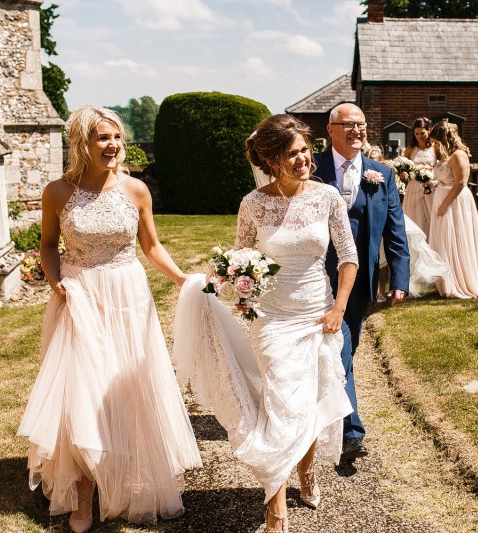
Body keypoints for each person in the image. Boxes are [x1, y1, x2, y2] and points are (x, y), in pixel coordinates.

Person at [17, 106, 201, 532]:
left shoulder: (136, 190)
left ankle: (131, 476)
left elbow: (151, 246)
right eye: (103, 138)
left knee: (128, 386)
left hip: (127, 296)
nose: (113, 145)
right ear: (82, 143)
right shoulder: (57, 192)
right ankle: (82, 492)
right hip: (80, 296)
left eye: (117, 137)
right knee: (82, 390)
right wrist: (55, 280)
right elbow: (47, 245)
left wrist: (181, 279)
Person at [174, 114, 358, 532]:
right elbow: (239, 258)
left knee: (308, 401)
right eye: (292, 154)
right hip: (272, 321)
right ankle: (276, 505)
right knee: (281, 404)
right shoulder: (253, 204)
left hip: (318, 313)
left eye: (305, 151)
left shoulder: (327, 197)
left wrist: (338, 310)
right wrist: (240, 294)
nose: (303, 159)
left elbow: (349, 256)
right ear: (273, 160)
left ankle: (306, 472)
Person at [312, 103, 410, 460]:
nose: (357, 131)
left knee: (343, 351)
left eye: (361, 125)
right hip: (316, 274)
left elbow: (395, 231)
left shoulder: (381, 173)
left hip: (361, 278)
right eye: (348, 125)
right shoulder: (311, 167)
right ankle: (351, 430)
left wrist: (399, 277)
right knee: (340, 348)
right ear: (331, 129)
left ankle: (326, 412)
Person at [362, 142, 448, 300]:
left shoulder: (387, 171)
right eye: (370, 158)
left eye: (375, 158)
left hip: (386, 216)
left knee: (389, 255)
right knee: (378, 257)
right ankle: (376, 289)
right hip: (370, 218)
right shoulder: (363, 172)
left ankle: (387, 287)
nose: (373, 161)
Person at [428, 121, 478, 299]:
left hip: (454, 201)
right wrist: (435, 183)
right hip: (442, 196)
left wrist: (444, 204)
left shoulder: (458, 154)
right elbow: (447, 177)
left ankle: (459, 282)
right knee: (442, 239)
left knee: (456, 238)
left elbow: (460, 183)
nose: (434, 145)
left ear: (444, 139)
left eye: (435, 142)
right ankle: (444, 282)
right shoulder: (445, 155)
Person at [401, 117, 437, 236]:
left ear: (429, 131)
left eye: (422, 133)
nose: (419, 136)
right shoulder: (409, 150)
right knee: (414, 217)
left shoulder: (435, 148)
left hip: (431, 187)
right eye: (417, 133)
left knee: (431, 218)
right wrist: (404, 173)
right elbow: (404, 168)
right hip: (414, 187)